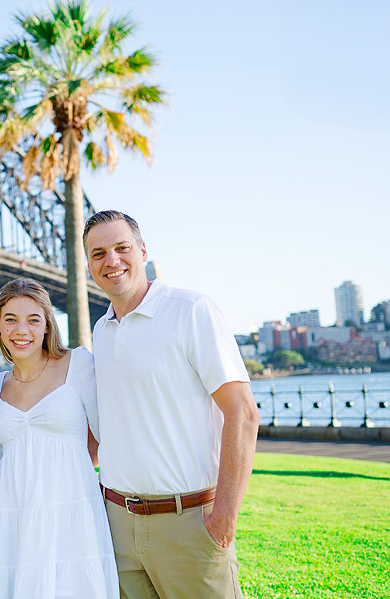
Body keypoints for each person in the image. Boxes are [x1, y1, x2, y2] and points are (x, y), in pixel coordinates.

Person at [83, 210, 261, 599]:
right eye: (98, 254)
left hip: (189, 522)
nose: (111, 261)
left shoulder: (190, 310)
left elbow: (243, 414)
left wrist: (224, 519)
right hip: (117, 524)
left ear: (143, 250)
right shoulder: (103, 328)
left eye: (121, 248)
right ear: (89, 264)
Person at [0, 278, 118, 599]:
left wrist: (68, 473)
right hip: (12, 517)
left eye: (33, 320)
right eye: (10, 320)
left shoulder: (78, 364)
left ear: (47, 325)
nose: (21, 330)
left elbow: (107, 438)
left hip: (71, 513)